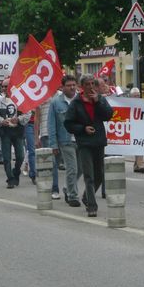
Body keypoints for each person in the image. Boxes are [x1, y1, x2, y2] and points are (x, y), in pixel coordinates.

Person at [64, 75, 112, 217]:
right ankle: (92, 205)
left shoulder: (99, 99)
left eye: (93, 84)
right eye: (88, 84)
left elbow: (109, 115)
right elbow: (68, 123)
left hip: (98, 141)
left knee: (99, 174)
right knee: (89, 175)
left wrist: (98, 102)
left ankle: (86, 196)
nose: (91, 87)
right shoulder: (76, 103)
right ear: (82, 87)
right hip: (84, 143)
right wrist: (83, 128)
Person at [48, 75, 80, 205]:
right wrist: (53, 144)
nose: (72, 87)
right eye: (69, 85)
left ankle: (68, 188)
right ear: (62, 87)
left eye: (74, 85)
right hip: (66, 140)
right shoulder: (56, 102)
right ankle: (73, 196)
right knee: (72, 168)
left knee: (81, 169)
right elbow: (51, 124)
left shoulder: (81, 99)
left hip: (82, 139)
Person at [0, 82, 31, 188]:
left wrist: (18, 119)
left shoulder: (21, 100)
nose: (5, 88)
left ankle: (16, 172)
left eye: (7, 86)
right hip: (5, 132)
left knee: (20, 156)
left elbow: (28, 113)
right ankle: (10, 178)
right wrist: (1, 121)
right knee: (6, 157)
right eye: (3, 86)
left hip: (17, 131)